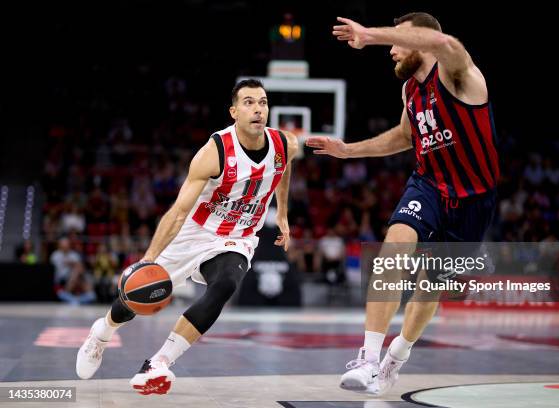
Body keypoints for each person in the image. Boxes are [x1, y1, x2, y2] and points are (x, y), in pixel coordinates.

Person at [307, 12, 499, 395]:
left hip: (473, 199)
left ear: (421, 40)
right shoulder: (410, 90)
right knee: (393, 248)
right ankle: (368, 358)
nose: (391, 49)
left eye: (398, 40)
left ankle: (398, 355)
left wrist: (370, 34)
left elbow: (444, 44)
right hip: (427, 184)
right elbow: (404, 136)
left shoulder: (460, 75)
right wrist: (348, 152)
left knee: (429, 289)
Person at [76, 79, 299, 395]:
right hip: (195, 231)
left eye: (262, 102)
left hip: (238, 236)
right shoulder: (214, 152)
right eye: (249, 102)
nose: (258, 109)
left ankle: (158, 363)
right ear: (234, 111)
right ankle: (102, 333)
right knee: (140, 294)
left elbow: (283, 169)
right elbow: (178, 211)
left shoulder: (285, 144)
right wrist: (148, 258)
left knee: (225, 284)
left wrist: (282, 213)